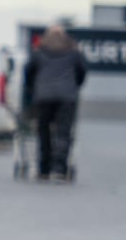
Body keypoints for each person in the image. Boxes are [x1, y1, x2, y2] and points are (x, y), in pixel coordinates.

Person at [24, 24, 88, 181]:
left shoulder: (38, 51)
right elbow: (82, 72)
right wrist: (74, 86)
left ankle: (44, 168)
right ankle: (59, 169)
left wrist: (34, 88)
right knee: (63, 132)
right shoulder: (74, 52)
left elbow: (29, 72)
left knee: (43, 131)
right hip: (67, 97)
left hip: (43, 96)